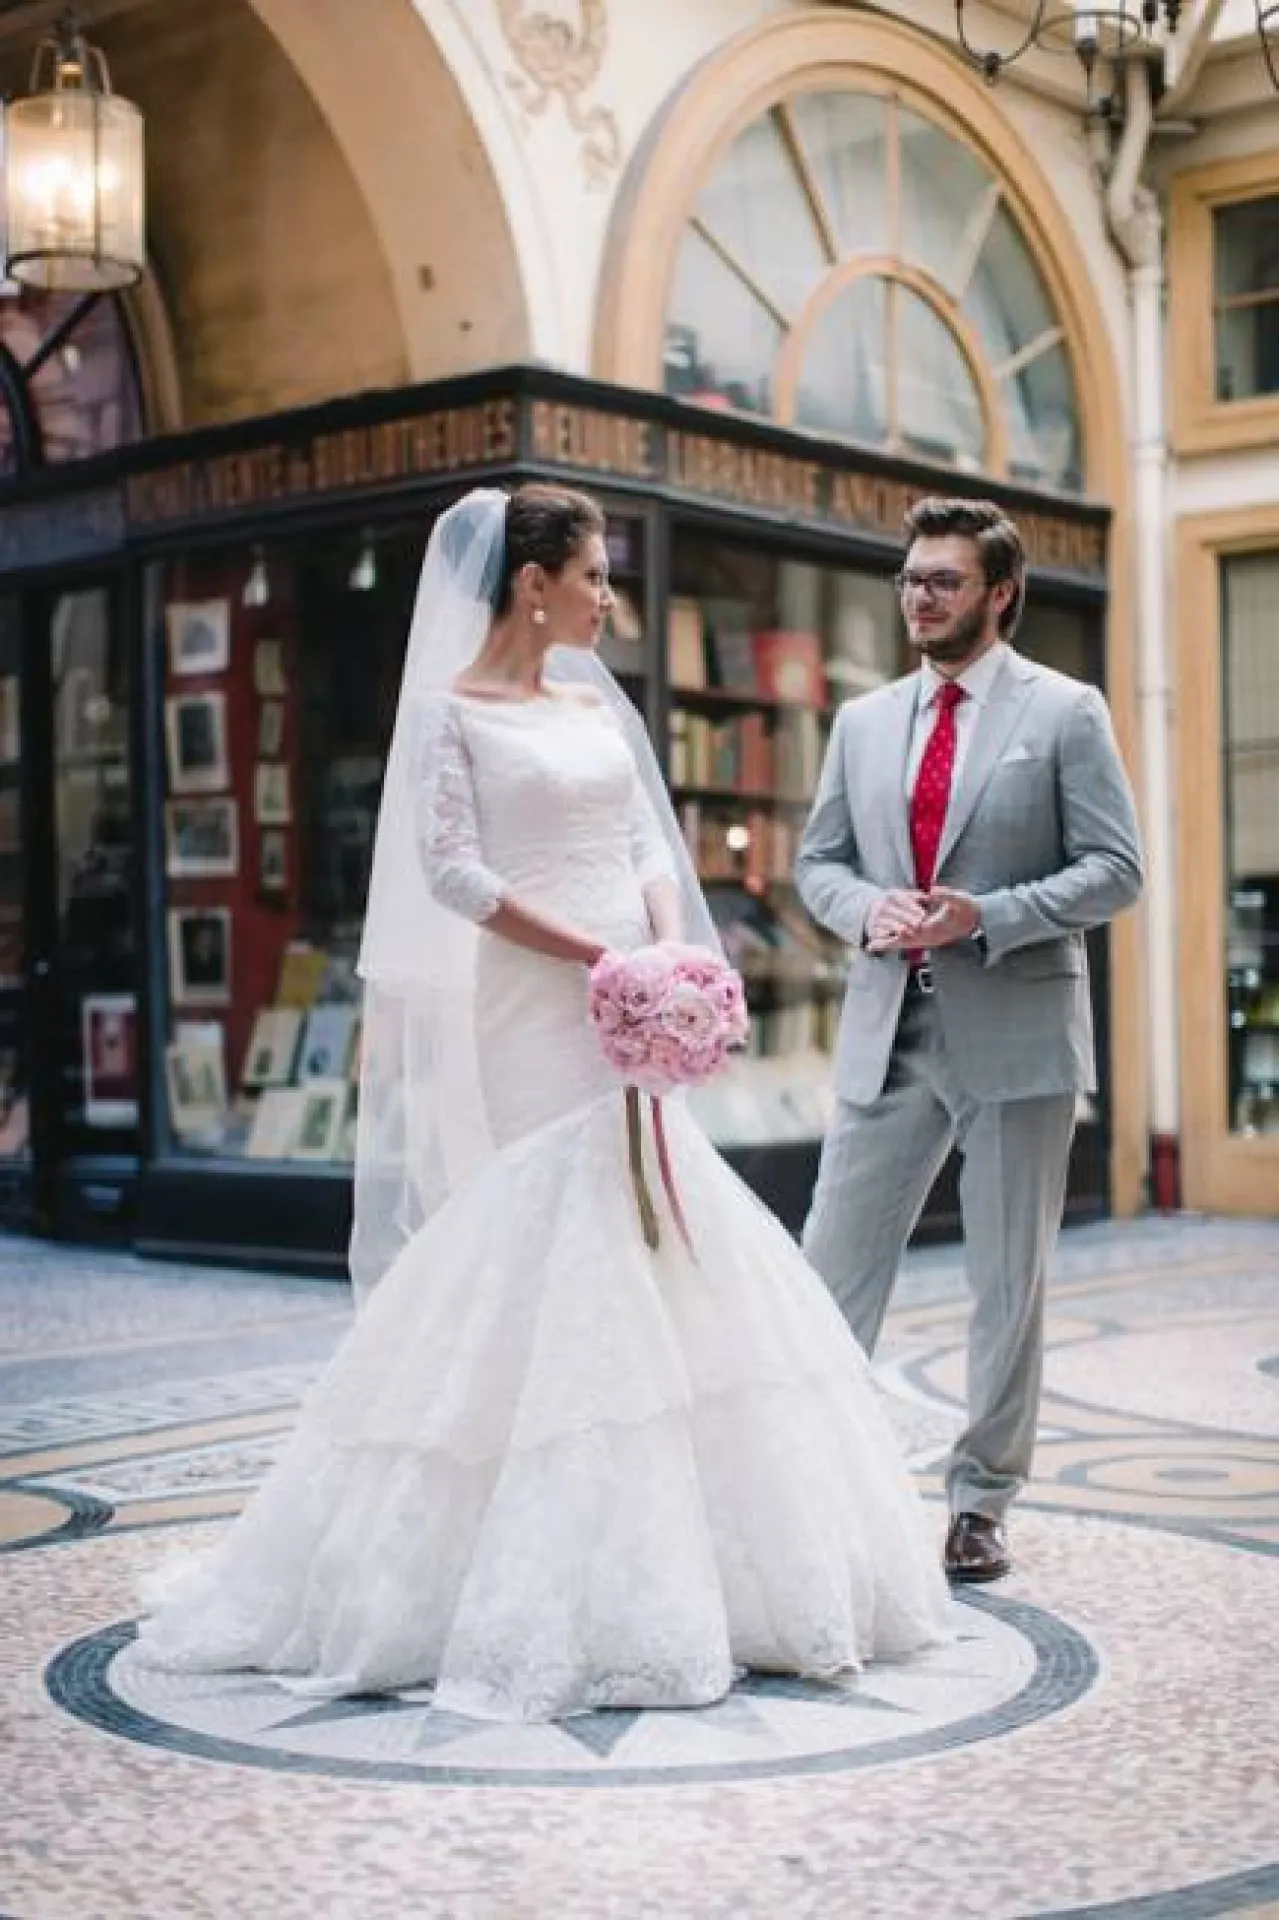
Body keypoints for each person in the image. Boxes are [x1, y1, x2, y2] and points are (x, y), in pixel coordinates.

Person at [132, 483, 951, 1723]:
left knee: (661, 1224)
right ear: (533, 584)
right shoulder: (451, 716)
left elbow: (642, 845)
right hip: (535, 1000)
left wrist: (672, 955)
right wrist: (596, 962)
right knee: (552, 1224)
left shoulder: (589, 708)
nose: (609, 595)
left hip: (633, 980)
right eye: (596, 574)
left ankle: (720, 1563)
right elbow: (454, 872)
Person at [796, 497, 1143, 1586]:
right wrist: (866, 912)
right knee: (827, 1273)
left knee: (1007, 1282)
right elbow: (820, 862)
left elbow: (1116, 869)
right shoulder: (860, 722)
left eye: (941, 582)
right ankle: (807, 1483)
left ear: (998, 593)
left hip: (1018, 1030)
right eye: (909, 580)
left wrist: (984, 916)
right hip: (886, 1028)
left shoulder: (1066, 710)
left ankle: (981, 1500)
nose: (919, 598)